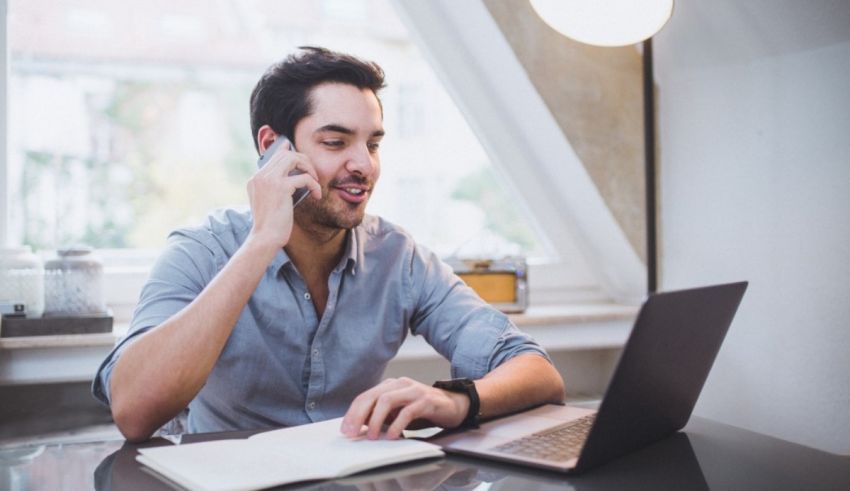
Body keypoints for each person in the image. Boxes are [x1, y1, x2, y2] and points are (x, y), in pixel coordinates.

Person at [92, 47, 565, 442]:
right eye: (337, 142)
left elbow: (538, 373)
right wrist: (262, 242)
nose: (364, 165)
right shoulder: (202, 251)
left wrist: (455, 400)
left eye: (373, 144)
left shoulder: (397, 256)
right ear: (273, 146)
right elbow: (134, 413)